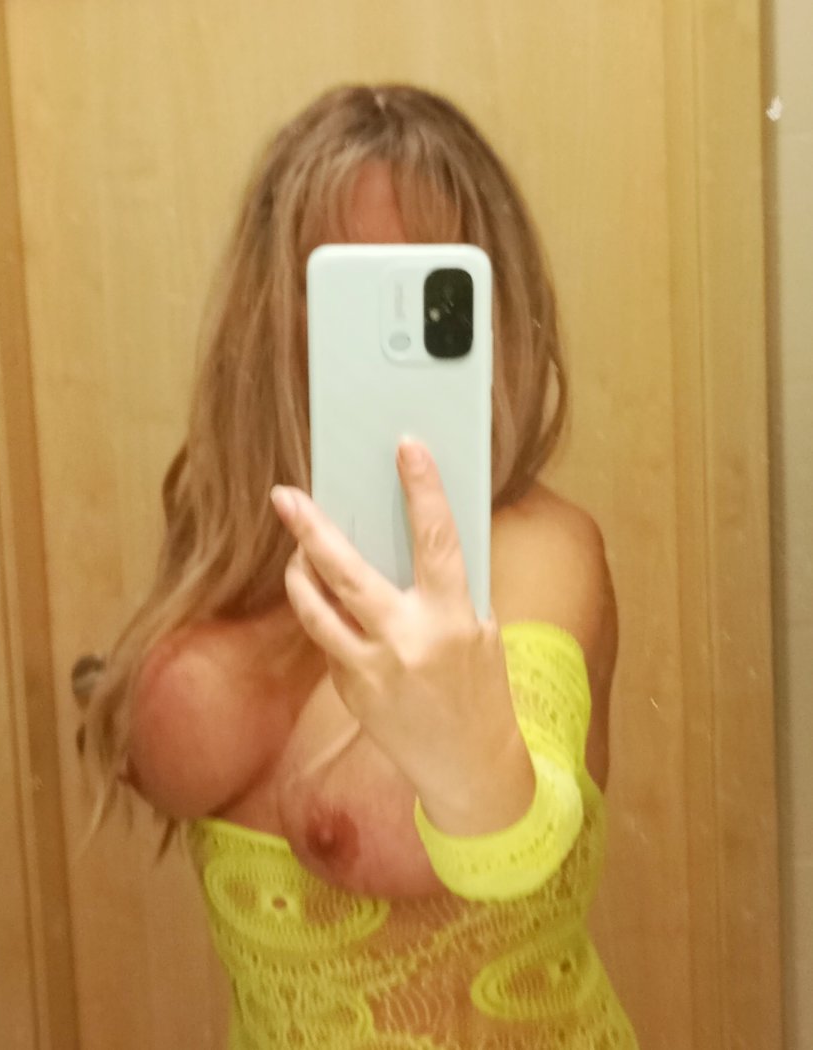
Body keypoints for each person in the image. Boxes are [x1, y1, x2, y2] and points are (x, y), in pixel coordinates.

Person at [82, 83, 638, 1048]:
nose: (397, 340)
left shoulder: (539, 554)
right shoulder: (219, 572)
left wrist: (474, 757)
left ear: (500, 315)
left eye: (432, 289)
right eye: (350, 289)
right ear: (269, 314)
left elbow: (523, 831)